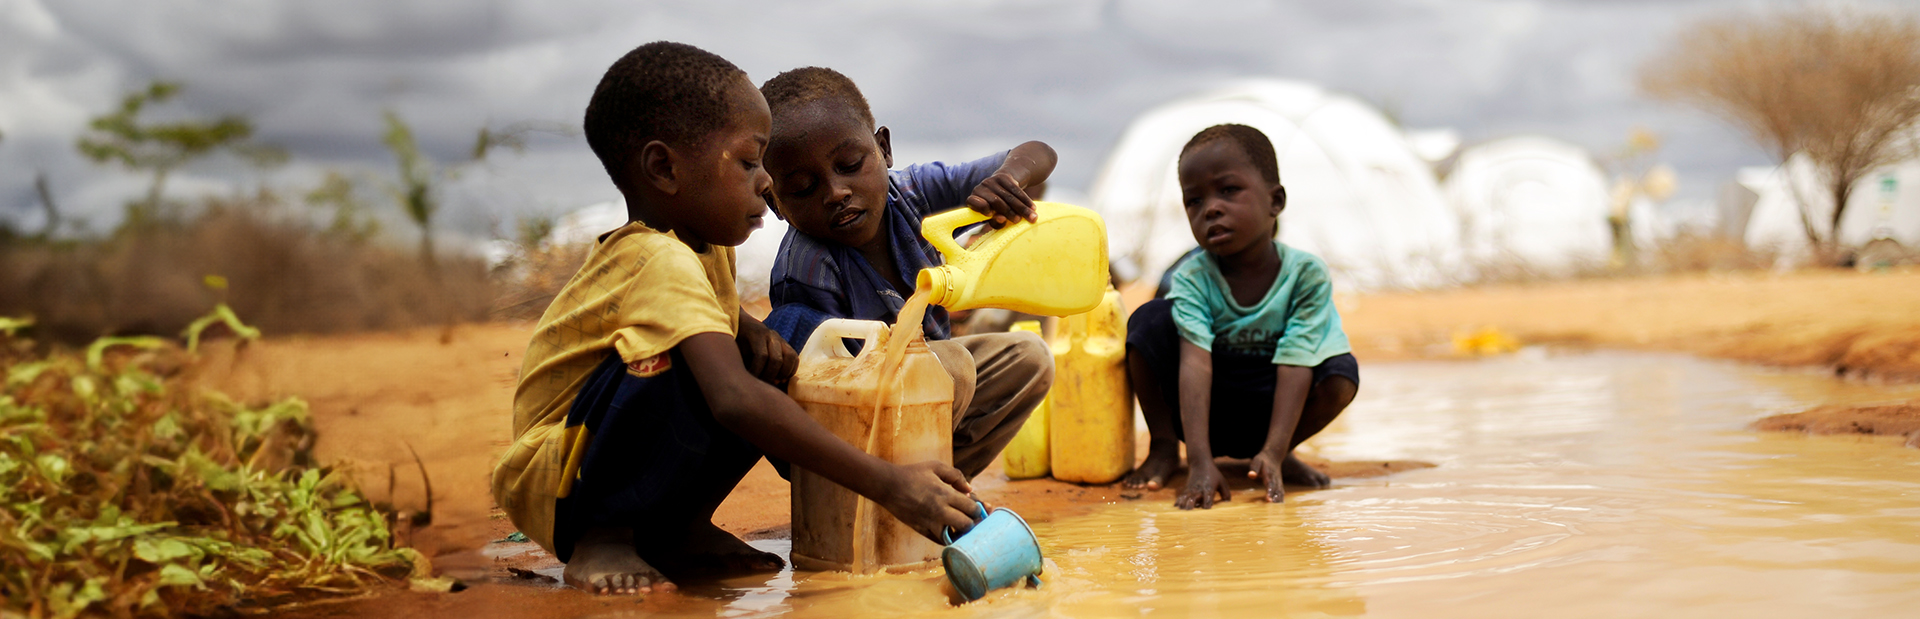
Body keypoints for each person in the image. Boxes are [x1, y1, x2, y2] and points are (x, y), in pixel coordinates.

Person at [490, 42, 981, 596]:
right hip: (560, 479)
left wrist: (749, 330)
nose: (767, 184)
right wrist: (892, 486)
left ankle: (676, 530)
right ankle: (602, 537)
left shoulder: (702, 246)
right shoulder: (656, 258)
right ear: (663, 169)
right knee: (702, 374)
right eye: (750, 163)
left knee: (764, 354)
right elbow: (732, 401)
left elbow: (720, 329)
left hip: (592, 459)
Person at [755, 67, 1056, 480]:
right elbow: (824, 388)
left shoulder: (914, 194)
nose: (835, 192)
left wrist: (1008, 179)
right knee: (948, 365)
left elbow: (1038, 153)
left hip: (929, 390)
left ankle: (941, 484)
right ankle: (893, 497)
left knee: (1029, 358)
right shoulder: (806, 269)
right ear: (775, 203)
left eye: (850, 164)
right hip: (854, 425)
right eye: (804, 188)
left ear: (883, 149)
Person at [1120, 124, 1360, 510]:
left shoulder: (1305, 275)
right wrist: (1199, 462)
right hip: (1204, 407)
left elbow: (1298, 361)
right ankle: (1164, 447)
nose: (1210, 208)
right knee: (1148, 320)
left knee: (1341, 372)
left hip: (1273, 408)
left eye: (1228, 190)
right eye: (1194, 201)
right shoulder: (1192, 278)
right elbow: (1195, 364)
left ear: (1275, 201)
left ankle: (1273, 457)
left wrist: (1276, 448)